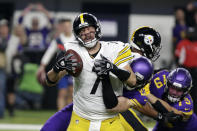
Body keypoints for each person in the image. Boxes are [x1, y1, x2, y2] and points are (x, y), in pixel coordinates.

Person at [41, 26, 162, 131]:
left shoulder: (121, 53)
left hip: (102, 105)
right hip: (105, 106)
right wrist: (159, 115)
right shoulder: (138, 63)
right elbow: (137, 97)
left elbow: (137, 98)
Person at [44, 12, 137, 131]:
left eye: (89, 29)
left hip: (110, 121)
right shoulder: (73, 51)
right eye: (82, 32)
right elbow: (50, 81)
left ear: (96, 28)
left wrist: (113, 68)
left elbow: (132, 81)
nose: (86, 34)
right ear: (77, 35)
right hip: (81, 120)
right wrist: (56, 69)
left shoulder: (114, 49)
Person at [37, 18, 75, 110]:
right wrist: (42, 66)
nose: (67, 28)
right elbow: (49, 53)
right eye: (65, 26)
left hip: (73, 70)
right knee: (62, 93)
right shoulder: (58, 40)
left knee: (71, 93)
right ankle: (60, 114)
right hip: (62, 71)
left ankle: (68, 116)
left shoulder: (76, 39)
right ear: (62, 27)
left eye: (68, 26)